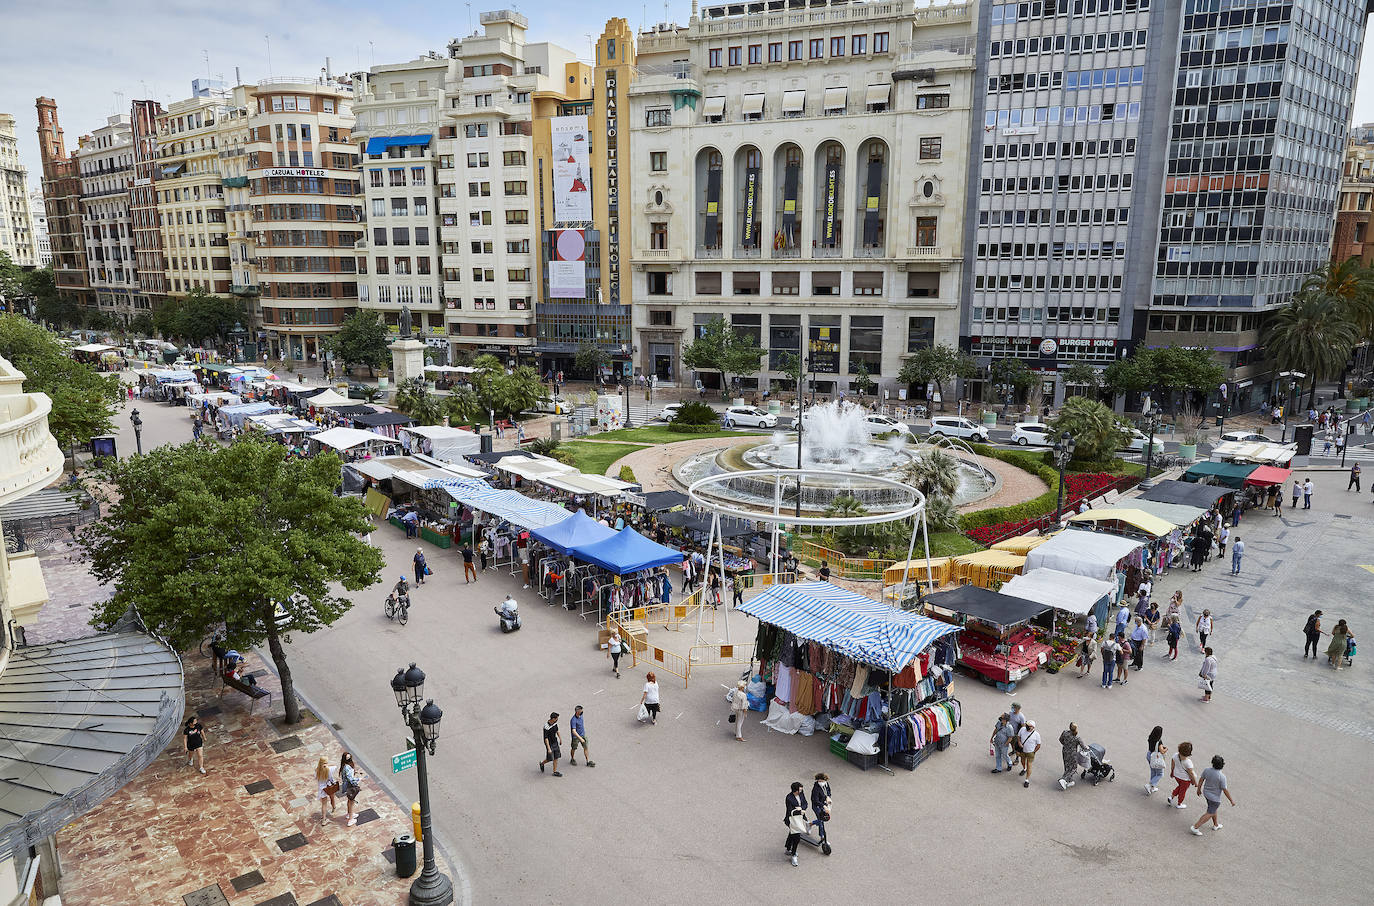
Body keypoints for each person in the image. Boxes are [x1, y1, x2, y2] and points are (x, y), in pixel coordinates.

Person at [1190, 755, 1236, 835]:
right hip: (1215, 799)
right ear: (1222, 765)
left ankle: (1216, 825)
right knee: (1210, 812)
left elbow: (1201, 780)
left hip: (1206, 794)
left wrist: (1198, 789)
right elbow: (1225, 790)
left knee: (1213, 809)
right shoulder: (1222, 777)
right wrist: (1231, 800)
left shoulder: (1207, 770)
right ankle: (1195, 827)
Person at [1166, 741, 1198, 809]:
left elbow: (1172, 764)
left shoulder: (1175, 755)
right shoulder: (1188, 762)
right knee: (1182, 791)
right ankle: (1179, 803)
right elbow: (1191, 773)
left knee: (1180, 787)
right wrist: (1195, 782)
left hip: (1177, 776)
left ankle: (1171, 797)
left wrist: (1172, 772)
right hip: (1185, 779)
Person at [784, 781, 808, 866]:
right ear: (795, 791)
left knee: (792, 833)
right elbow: (790, 810)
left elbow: (805, 803)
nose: (801, 791)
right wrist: (798, 810)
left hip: (800, 818)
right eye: (800, 790)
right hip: (792, 820)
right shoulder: (789, 798)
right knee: (797, 838)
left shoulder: (801, 793)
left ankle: (787, 848)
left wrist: (802, 809)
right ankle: (793, 854)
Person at [339, 751, 365, 826]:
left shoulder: (344, 766)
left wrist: (354, 773)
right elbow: (351, 779)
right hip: (350, 786)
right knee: (351, 802)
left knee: (350, 800)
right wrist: (358, 779)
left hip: (347, 786)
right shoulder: (347, 767)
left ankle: (349, 814)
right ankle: (350, 819)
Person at [1058, 722, 1084, 790]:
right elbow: (1083, 746)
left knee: (1067, 766)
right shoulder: (1077, 738)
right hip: (1072, 754)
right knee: (1073, 768)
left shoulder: (1065, 732)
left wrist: (1065, 745)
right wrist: (1087, 748)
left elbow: (1060, 740)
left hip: (1065, 751)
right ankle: (1064, 779)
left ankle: (1069, 779)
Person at [1017, 720, 1042, 788]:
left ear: (1033, 727)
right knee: (1022, 761)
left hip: (1030, 752)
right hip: (1022, 751)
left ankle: (1027, 780)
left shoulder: (1036, 735)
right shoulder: (1022, 729)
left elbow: (1038, 745)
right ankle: (1024, 769)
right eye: (1026, 725)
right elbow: (1018, 737)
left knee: (1029, 765)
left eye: (1028, 726)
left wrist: (1033, 752)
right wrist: (1019, 743)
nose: (1026, 727)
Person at [809, 773, 832, 845]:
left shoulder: (826, 784)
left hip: (824, 804)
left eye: (822, 781)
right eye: (819, 781)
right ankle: (822, 837)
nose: (821, 782)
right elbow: (815, 801)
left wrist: (828, 797)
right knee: (821, 821)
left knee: (821, 820)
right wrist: (824, 806)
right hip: (817, 806)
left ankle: (810, 824)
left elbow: (828, 791)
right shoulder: (815, 789)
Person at [539, 712, 563, 776]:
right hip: (549, 744)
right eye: (556, 719)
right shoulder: (546, 727)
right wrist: (549, 748)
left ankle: (554, 772)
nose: (557, 720)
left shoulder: (555, 723)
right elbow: (546, 738)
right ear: (553, 719)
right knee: (549, 758)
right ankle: (542, 763)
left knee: (556, 757)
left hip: (555, 742)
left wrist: (560, 739)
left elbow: (557, 731)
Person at [316, 757, 338, 823]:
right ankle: (334, 808)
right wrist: (328, 765)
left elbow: (316, 778)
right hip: (329, 786)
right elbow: (335, 767)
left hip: (322, 789)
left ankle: (324, 819)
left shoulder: (317, 770)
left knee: (324, 804)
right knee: (332, 798)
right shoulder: (329, 769)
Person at [1146, 726, 1166, 794]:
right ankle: (1149, 785)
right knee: (1160, 774)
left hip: (1149, 755)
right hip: (1155, 758)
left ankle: (1152, 787)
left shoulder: (1150, 737)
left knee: (1153, 771)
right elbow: (1162, 751)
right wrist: (1166, 749)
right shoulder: (1159, 741)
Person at [1006, 702, 1027, 767]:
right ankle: (1013, 751)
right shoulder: (1010, 713)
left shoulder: (1021, 717)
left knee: (1017, 747)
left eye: (1014, 707)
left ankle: (1017, 759)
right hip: (1010, 732)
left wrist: (1020, 736)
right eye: (1012, 707)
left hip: (1016, 734)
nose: (1012, 708)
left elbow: (1023, 727)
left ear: (1018, 709)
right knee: (1011, 744)